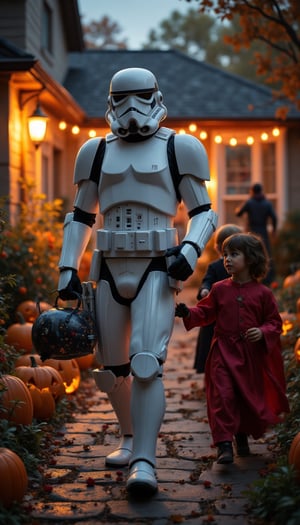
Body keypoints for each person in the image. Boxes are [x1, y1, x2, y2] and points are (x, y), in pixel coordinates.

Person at [57, 67, 217, 496]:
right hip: (108, 264)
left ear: (155, 96)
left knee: (147, 362)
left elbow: (204, 211)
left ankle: (145, 459)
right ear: (110, 101)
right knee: (111, 370)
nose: (131, 108)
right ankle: (129, 438)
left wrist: (189, 249)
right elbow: (82, 214)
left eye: (139, 97)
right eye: (122, 98)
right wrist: (67, 268)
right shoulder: (93, 151)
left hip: (156, 264)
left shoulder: (178, 147)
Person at [175, 233, 289, 464]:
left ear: (251, 259)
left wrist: (263, 332)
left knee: (244, 398)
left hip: (249, 356)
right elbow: (206, 312)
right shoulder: (219, 289)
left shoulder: (263, 294)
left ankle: (241, 435)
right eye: (225, 254)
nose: (227, 259)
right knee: (223, 396)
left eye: (234, 254)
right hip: (222, 352)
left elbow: (274, 323)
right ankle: (224, 444)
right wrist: (189, 313)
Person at [194, 224, 242, 374]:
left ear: (216, 247)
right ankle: (210, 376)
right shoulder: (215, 266)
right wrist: (205, 289)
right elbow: (207, 280)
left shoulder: (243, 266)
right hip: (219, 315)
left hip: (231, 314)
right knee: (211, 344)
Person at [235, 183, 277, 283]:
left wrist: (244, 202)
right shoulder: (267, 203)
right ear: (261, 191)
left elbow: (238, 213)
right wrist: (274, 230)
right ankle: (267, 279)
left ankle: (249, 278)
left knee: (248, 254)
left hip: (251, 231)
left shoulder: (249, 202)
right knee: (265, 254)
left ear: (252, 191)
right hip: (263, 231)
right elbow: (274, 218)